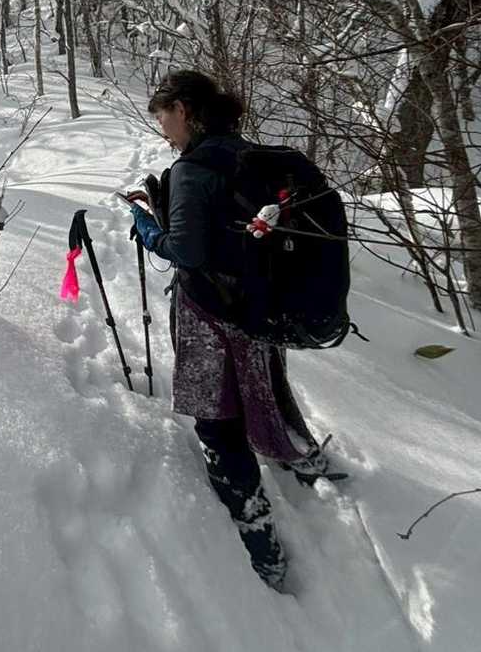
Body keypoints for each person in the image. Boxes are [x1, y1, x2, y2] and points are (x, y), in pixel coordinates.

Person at [122, 70, 335, 593]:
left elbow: (187, 252)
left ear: (184, 110)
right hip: (259, 309)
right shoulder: (246, 154)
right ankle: (306, 461)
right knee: (266, 390)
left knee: (219, 422)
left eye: (164, 117)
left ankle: (263, 549)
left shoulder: (192, 169)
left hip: (210, 314)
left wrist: (147, 227)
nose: (162, 129)